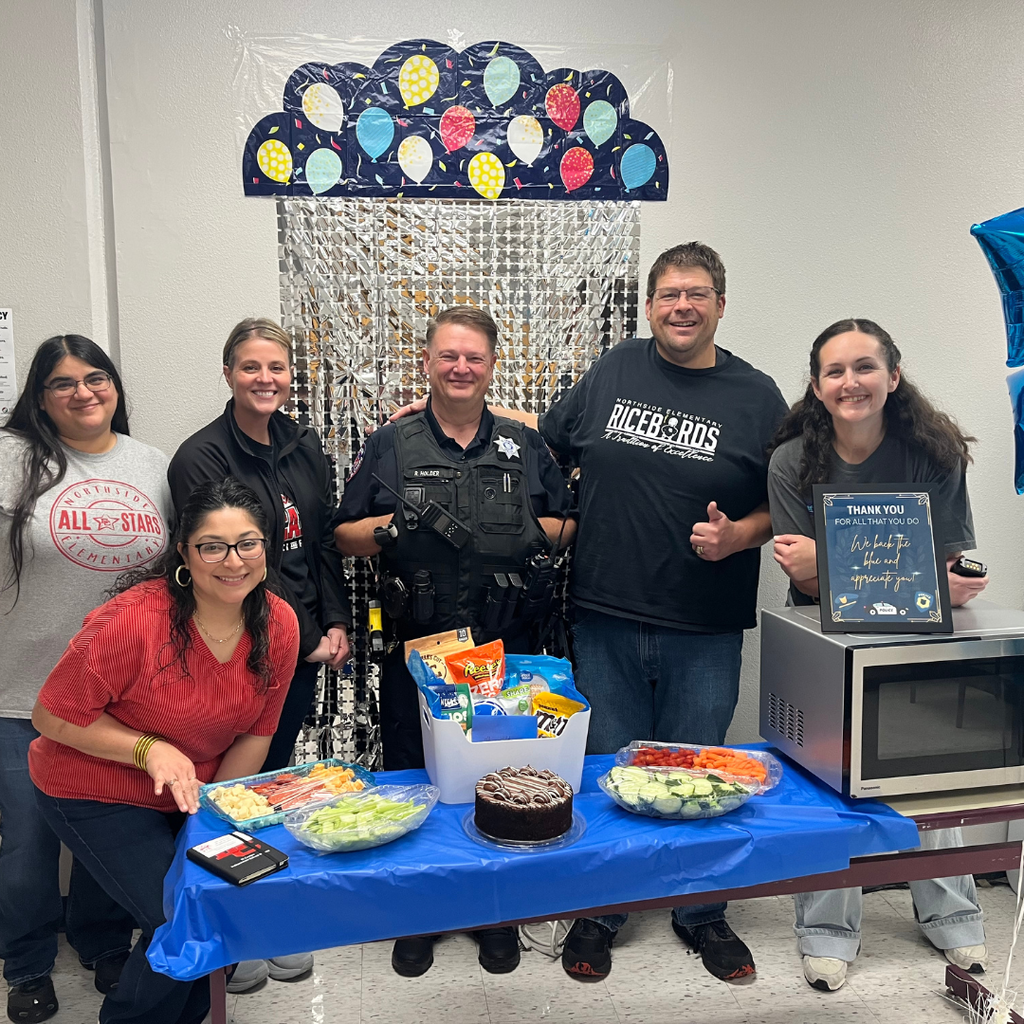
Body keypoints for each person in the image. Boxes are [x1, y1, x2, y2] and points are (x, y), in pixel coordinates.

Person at [390, 246, 788, 983]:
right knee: (606, 773)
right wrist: (456, 410)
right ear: (651, 305)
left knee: (697, 772)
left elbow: (784, 498)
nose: (682, 306)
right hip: (603, 614)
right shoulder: (615, 369)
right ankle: (602, 910)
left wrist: (740, 534)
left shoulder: (757, 396)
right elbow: (545, 435)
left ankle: (700, 911)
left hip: (703, 622)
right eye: (669, 294)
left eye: (697, 293)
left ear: (720, 305)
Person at [334, 305, 574, 978]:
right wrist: (393, 530)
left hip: (505, 655)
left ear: (492, 366)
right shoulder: (392, 442)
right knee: (416, 784)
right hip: (419, 653)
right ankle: (421, 913)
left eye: (474, 357)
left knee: (496, 783)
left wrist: (526, 531)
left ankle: (491, 914)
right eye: (448, 355)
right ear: (427, 363)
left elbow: (567, 523)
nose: (461, 367)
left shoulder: (524, 446)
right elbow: (342, 534)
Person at [767, 317, 989, 992]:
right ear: (816, 386)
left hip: (914, 643)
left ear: (893, 376)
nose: (850, 382)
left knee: (931, 770)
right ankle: (827, 932)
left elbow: (955, 574)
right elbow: (803, 580)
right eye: (834, 371)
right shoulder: (790, 462)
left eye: (865, 367)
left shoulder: (933, 454)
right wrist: (913, 577)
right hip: (820, 642)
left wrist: (831, 560)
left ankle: (954, 917)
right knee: (826, 778)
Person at [29, 477, 300, 1024]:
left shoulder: (279, 623)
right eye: (212, 546)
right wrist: (147, 749)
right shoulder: (133, 622)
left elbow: (256, 733)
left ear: (266, 548)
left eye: (248, 543)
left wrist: (217, 817)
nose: (234, 561)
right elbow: (50, 716)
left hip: (192, 790)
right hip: (92, 788)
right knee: (183, 916)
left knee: (222, 904)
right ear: (184, 552)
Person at [168, 317, 350, 991]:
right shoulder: (201, 457)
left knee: (274, 786)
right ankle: (232, 934)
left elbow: (321, 544)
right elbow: (231, 564)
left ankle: (272, 918)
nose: (265, 379)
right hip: (232, 649)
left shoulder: (304, 447)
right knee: (226, 790)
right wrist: (293, 631)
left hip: (298, 649)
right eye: (251, 367)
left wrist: (334, 621)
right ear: (228, 374)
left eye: (276, 367)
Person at [0, 335, 172, 1023]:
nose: (83, 392)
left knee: (110, 828)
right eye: (63, 383)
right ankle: (26, 963)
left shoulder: (150, 464)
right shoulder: (11, 457)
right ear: (40, 398)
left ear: (115, 387)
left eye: (96, 377)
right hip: (24, 688)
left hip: (121, 697)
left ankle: (103, 942)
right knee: (28, 845)